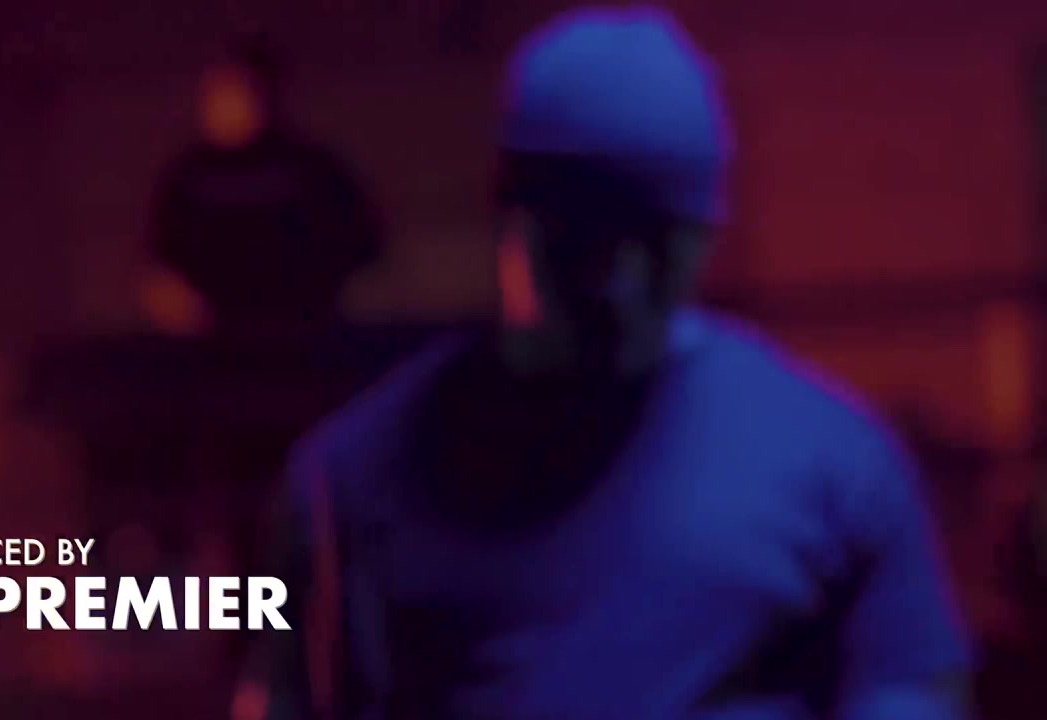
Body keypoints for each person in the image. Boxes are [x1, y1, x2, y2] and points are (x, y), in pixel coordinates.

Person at [240, 7, 972, 719]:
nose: (620, 283)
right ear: (509, 217)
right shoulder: (352, 478)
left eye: (658, 245)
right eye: (585, 241)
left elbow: (907, 686)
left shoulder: (838, 469)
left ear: (703, 238)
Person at [142, 34, 382, 337]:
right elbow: (161, 261)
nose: (228, 103)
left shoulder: (309, 167)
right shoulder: (190, 175)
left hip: (300, 336)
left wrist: (312, 290)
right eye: (219, 92)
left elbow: (363, 239)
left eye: (242, 90)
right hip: (214, 341)